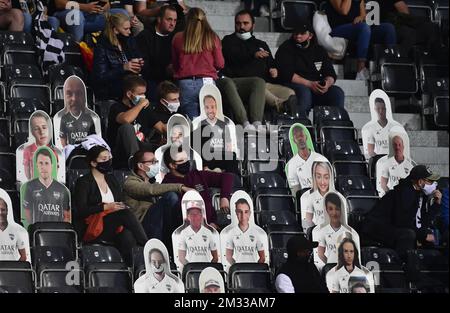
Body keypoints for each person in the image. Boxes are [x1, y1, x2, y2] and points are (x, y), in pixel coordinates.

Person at [72, 145, 148, 264]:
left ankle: (131, 271)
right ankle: (148, 245)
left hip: (113, 226)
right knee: (124, 214)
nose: (108, 161)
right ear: (93, 163)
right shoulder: (83, 182)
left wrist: (120, 206)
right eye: (103, 159)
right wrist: (105, 207)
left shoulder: (111, 179)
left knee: (127, 235)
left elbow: (119, 201)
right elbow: (81, 210)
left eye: (109, 158)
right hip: (93, 227)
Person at [222, 10, 297, 115]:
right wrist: (253, 54)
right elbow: (234, 56)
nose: (241, 27)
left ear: (253, 25)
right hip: (242, 85)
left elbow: (271, 62)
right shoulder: (228, 41)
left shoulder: (261, 44)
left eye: (245, 23)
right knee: (259, 85)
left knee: (290, 94)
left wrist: (273, 69)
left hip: (265, 84)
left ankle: (289, 120)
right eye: (238, 23)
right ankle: (280, 106)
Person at [361, 165, 442, 259]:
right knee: (408, 234)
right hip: (377, 229)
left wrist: (436, 204)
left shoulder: (420, 195)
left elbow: (422, 222)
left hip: (393, 228)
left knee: (428, 237)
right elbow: (402, 222)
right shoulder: (405, 193)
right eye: (430, 181)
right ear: (420, 182)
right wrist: (422, 235)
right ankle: (403, 265)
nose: (434, 184)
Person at [276, 22, 345, 117]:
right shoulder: (285, 48)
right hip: (295, 85)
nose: (298, 36)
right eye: (296, 33)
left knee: (337, 93)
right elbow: (286, 73)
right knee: (304, 92)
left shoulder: (319, 50)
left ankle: (333, 127)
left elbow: (330, 73)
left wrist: (326, 84)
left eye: (302, 33)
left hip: (316, 87)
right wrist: (309, 84)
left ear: (310, 35)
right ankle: (301, 125)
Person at [123, 148, 190, 246]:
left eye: (157, 161)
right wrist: (181, 187)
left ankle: (175, 242)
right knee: (170, 196)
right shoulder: (130, 183)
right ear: (141, 166)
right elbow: (150, 190)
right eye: (153, 162)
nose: (156, 164)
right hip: (141, 226)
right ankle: (157, 246)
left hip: (158, 223)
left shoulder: (153, 182)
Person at [171, 7, 224, 119]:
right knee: (209, 121)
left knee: (193, 121)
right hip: (207, 82)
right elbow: (220, 64)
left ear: (187, 20)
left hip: (185, 84)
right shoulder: (212, 37)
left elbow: (175, 65)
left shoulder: (177, 38)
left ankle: (195, 136)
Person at [162, 145, 232, 228]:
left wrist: (224, 197)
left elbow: (227, 177)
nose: (186, 163)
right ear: (172, 165)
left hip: (213, 226)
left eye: (186, 159)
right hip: (188, 231)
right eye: (181, 161)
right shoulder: (167, 184)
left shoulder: (197, 175)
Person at [325, 0, 397, 80]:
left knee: (388, 28)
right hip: (338, 29)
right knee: (364, 28)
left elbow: (363, 15)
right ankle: (360, 70)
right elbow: (344, 11)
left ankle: (389, 67)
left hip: (358, 29)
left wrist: (361, 17)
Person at [92, 13, 144, 100]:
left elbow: (137, 56)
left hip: (130, 84)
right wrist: (123, 68)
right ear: (115, 30)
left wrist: (140, 63)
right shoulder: (102, 47)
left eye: (130, 28)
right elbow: (100, 78)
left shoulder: (128, 41)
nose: (129, 32)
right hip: (111, 89)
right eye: (126, 29)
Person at [107, 74, 153, 169]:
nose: (143, 97)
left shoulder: (144, 108)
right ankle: (135, 162)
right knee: (127, 127)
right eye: (140, 94)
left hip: (142, 146)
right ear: (129, 94)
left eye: (144, 93)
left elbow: (160, 126)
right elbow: (126, 119)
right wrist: (140, 105)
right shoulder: (116, 107)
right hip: (121, 150)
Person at [136, 4, 177, 102]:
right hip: (151, 81)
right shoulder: (145, 36)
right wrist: (165, 70)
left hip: (171, 81)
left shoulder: (175, 38)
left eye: (175, 20)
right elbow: (143, 65)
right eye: (169, 19)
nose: (172, 24)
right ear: (159, 19)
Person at [22, 148, 71, 226]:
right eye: (40, 163)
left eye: (46, 163)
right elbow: (28, 213)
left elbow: (66, 215)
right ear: (37, 165)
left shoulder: (62, 189)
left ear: (52, 165)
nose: (43, 167)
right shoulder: (30, 186)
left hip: (57, 232)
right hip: (39, 232)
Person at [197, 94, 239, 174]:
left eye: (213, 107)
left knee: (232, 155)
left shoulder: (223, 124)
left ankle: (232, 180)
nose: (210, 110)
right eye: (207, 107)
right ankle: (213, 170)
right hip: (208, 156)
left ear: (216, 108)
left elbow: (228, 145)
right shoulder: (201, 124)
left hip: (221, 154)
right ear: (204, 109)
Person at [48, 0, 129, 42]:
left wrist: (102, 7)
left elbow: (106, 4)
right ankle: (77, 49)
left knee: (122, 14)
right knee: (76, 14)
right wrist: (85, 7)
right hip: (64, 14)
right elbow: (59, 3)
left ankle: (119, 52)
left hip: (88, 16)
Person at [316, 192, 359, 264]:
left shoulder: (349, 232)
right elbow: (320, 254)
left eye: (337, 209)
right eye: (330, 209)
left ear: (341, 210)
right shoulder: (323, 231)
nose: (334, 213)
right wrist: (329, 265)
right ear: (326, 210)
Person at [286, 124, 329, 195]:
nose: (300, 139)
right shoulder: (292, 164)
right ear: (294, 141)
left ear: (306, 137)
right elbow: (295, 192)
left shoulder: (321, 159)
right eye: (297, 137)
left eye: (301, 136)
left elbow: (328, 186)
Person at [301, 161, 341, 230]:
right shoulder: (309, 197)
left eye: (326, 177)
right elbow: (308, 222)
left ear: (331, 178)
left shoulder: (339, 197)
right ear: (314, 177)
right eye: (319, 177)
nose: (322, 182)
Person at [59, 76, 97, 147]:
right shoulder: (64, 118)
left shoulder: (89, 117)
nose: (74, 99)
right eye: (69, 94)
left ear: (84, 97)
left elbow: (94, 138)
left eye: (78, 93)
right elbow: (62, 138)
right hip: (72, 153)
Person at [225, 198, 265, 264]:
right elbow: (228, 256)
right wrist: (237, 267)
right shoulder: (231, 232)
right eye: (240, 212)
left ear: (249, 213)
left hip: (253, 272)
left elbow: (262, 257)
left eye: (246, 212)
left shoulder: (256, 233)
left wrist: (255, 269)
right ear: (236, 213)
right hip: (239, 272)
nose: (243, 216)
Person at [22, 111, 60, 181]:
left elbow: (56, 173)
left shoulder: (55, 151)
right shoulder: (27, 150)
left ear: (49, 129)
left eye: (44, 127)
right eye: (36, 129)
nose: (41, 132)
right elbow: (27, 174)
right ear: (32, 132)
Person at [145, 81, 180, 145]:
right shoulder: (151, 111)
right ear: (163, 101)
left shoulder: (179, 113)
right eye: (174, 100)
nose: (178, 102)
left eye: (178, 99)